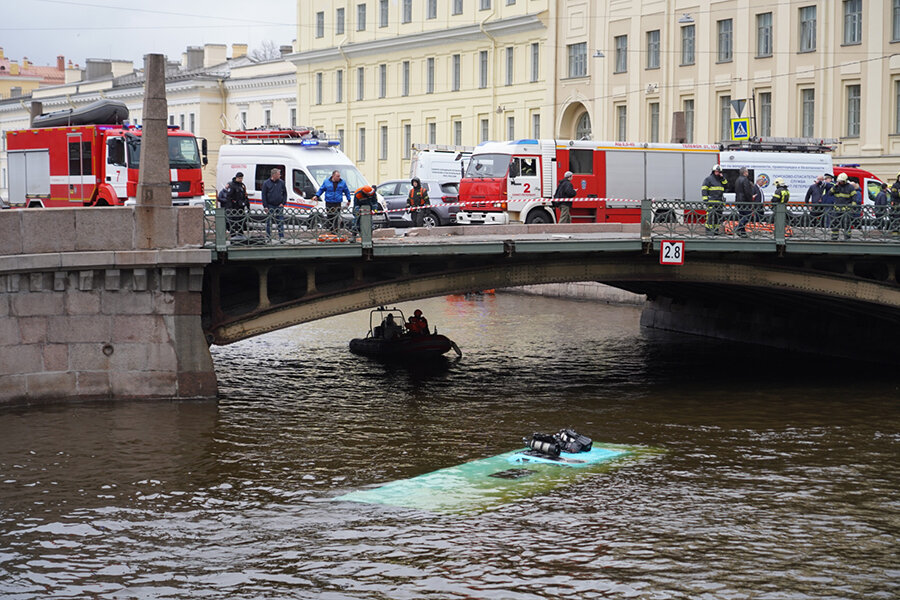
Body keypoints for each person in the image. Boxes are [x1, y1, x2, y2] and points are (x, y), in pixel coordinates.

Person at [262, 168, 288, 242]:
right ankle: (268, 237)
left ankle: (281, 237)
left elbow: (285, 193)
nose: (280, 175)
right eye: (279, 174)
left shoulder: (281, 183)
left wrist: (283, 203)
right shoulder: (266, 183)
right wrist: (265, 206)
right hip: (270, 205)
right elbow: (264, 195)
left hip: (279, 205)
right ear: (274, 175)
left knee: (280, 221)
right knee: (268, 222)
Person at [701, 164, 727, 235]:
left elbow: (727, 186)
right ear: (713, 171)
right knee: (710, 217)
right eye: (716, 172)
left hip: (719, 202)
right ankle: (709, 231)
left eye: (719, 172)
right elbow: (704, 189)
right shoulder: (708, 179)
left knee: (717, 217)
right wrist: (706, 200)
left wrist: (723, 178)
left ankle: (716, 230)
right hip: (711, 202)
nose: (717, 173)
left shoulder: (721, 180)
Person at [831, 172, 856, 240]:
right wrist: (835, 187)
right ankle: (834, 236)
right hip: (837, 209)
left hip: (846, 209)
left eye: (841, 181)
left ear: (845, 181)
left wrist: (852, 207)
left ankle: (847, 237)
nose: (840, 182)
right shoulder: (836, 187)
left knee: (846, 223)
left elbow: (854, 198)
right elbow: (830, 193)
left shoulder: (850, 187)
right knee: (834, 223)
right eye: (839, 181)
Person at [226, 172, 250, 240]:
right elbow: (229, 197)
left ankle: (240, 232)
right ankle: (233, 234)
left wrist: (247, 205)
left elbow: (245, 195)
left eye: (241, 178)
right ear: (236, 177)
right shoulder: (232, 185)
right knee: (233, 220)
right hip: (234, 206)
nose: (240, 179)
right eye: (239, 178)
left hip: (241, 207)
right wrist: (230, 207)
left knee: (241, 220)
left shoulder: (242, 185)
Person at [734, 167, 754, 237]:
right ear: (745, 172)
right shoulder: (745, 180)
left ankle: (743, 233)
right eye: (747, 172)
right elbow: (747, 192)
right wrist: (751, 200)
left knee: (742, 216)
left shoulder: (737, 179)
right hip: (745, 201)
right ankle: (738, 227)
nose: (748, 173)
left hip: (738, 201)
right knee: (748, 216)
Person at [890, 171, 900, 236]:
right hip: (896, 205)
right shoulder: (895, 185)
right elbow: (893, 194)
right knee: (896, 219)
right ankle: (895, 233)